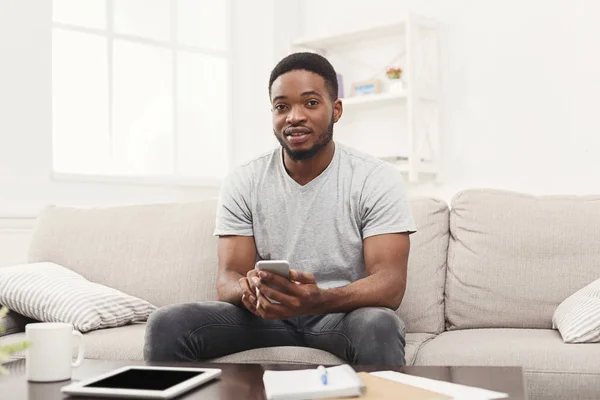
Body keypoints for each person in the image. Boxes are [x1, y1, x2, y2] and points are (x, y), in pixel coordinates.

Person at [144, 52, 416, 366]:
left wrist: (319, 300)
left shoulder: (374, 178)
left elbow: (390, 285)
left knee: (379, 324)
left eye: (311, 103)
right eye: (282, 106)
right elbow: (228, 278)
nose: (294, 117)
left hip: (338, 316)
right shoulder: (243, 180)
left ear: (336, 110)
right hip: (265, 317)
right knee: (167, 324)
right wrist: (248, 289)